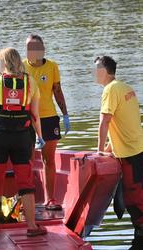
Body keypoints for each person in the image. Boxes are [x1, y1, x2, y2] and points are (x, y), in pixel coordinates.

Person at [0, 48, 46, 236]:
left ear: (4, 63)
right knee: (26, 181)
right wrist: (40, 137)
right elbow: (35, 115)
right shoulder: (30, 82)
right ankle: (31, 226)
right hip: (23, 137)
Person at [95, 56, 143, 250]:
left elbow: (105, 121)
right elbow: (124, 122)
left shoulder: (110, 90)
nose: (94, 72)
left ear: (105, 71)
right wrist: (110, 148)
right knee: (137, 195)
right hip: (138, 148)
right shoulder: (126, 88)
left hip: (130, 153)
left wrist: (99, 150)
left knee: (133, 199)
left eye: (97, 68)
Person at [23, 34, 70, 210]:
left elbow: (57, 91)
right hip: (27, 117)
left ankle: (50, 199)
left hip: (49, 117)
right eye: (29, 48)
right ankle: (25, 200)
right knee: (25, 159)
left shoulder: (52, 66)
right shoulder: (20, 67)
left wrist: (65, 115)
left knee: (48, 159)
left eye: (35, 47)